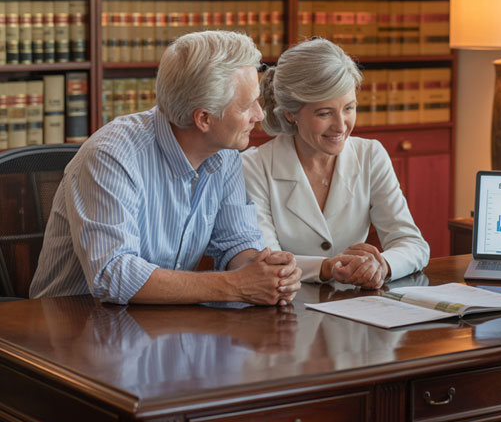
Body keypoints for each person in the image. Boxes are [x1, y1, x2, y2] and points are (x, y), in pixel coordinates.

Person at [30, 31, 302, 306]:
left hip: (159, 325)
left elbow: (236, 240)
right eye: (247, 106)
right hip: (73, 327)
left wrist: (267, 273)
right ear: (204, 119)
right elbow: (113, 274)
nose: (260, 115)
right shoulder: (111, 155)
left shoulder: (225, 151)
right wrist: (237, 285)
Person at [241, 38, 429, 288]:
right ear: (291, 113)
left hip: (355, 310)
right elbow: (268, 262)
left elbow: (413, 244)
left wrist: (383, 264)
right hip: (287, 311)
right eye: (325, 113)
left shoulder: (370, 155)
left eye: (349, 108)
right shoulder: (254, 166)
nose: (341, 126)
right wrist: (326, 268)